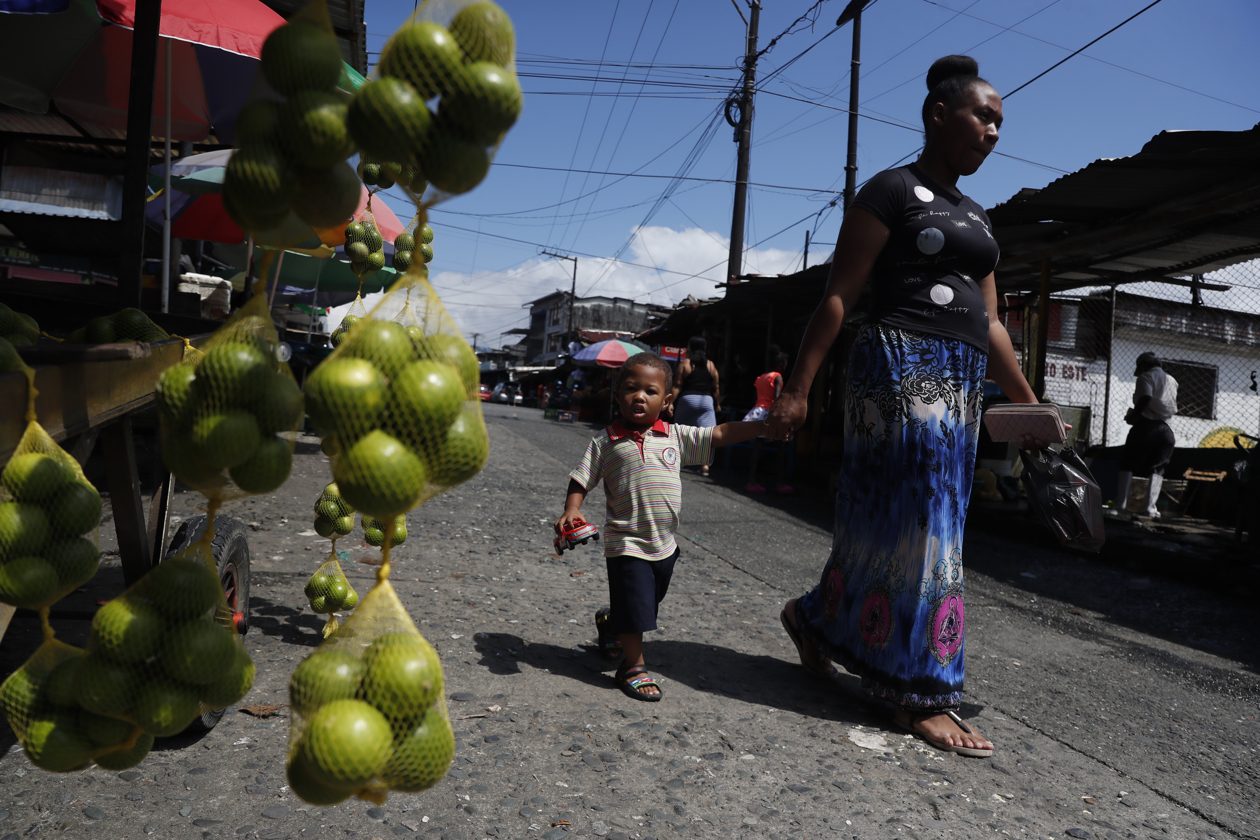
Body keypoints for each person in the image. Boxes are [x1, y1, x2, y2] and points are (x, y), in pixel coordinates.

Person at [766, 55, 1043, 759]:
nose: (993, 132)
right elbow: (838, 293)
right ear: (938, 115)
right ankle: (917, 691)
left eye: (999, 123)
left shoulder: (977, 218)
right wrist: (797, 388)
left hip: (959, 382)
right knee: (922, 523)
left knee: (918, 522)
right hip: (897, 365)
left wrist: (1031, 408)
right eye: (983, 116)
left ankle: (813, 618)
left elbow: (992, 324)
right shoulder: (892, 189)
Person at [556, 352, 765, 701]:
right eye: (631, 389)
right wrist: (571, 510)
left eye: (650, 391)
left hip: (664, 544)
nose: (639, 396)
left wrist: (762, 426)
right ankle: (633, 666)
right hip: (625, 542)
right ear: (617, 394)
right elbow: (581, 479)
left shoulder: (675, 436)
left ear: (667, 401)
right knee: (637, 605)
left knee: (644, 604)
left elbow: (718, 433)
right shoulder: (605, 442)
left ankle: (611, 625)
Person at [1113, 352, 1178, 518]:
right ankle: (1150, 508)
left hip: (1146, 426)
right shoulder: (1172, 380)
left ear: (1142, 365)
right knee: (1158, 467)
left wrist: (1134, 415)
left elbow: (1146, 397)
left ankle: (1121, 505)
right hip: (1167, 430)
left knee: (1128, 462)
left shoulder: (1146, 377)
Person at [743, 346, 793, 494]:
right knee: (781, 447)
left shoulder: (762, 377)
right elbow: (776, 398)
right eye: (785, 365)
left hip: (757, 411)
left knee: (757, 448)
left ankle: (751, 481)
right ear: (780, 365)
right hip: (769, 412)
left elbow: (755, 397)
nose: (785, 368)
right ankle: (780, 483)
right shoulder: (777, 377)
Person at [671, 336, 721, 475]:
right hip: (706, 401)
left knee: (679, 433)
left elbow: (677, 385)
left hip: (687, 400)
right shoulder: (711, 365)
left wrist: (670, 403)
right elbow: (715, 388)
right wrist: (717, 404)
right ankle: (705, 465)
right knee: (707, 434)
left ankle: (677, 461)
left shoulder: (685, 364)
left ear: (690, 348)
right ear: (705, 349)